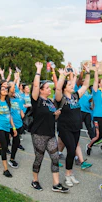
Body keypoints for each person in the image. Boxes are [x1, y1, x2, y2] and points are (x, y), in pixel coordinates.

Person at [30, 62, 68, 193]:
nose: (49, 89)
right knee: (38, 159)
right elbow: (35, 85)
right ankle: (35, 180)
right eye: (46, 88)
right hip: (39, 134)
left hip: (51, 134)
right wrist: (38, 70)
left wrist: (56, 115)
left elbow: (53, 117)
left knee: (55, 157)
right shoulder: (36, 100)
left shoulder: (50, 102)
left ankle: (56, 184)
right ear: (40, 90)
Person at [55, 65, 91, 187]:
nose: (73, 86)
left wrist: (87, 73)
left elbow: (85, 86)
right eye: (70, 85)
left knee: (72, 150)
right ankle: (67, 175)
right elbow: (58, 89)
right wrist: (62, 76)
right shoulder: (61, 98)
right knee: (71, 150)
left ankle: (70, 174)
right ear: (65, 88)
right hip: (65, 128)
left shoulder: (75, 96)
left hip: (76, 128)